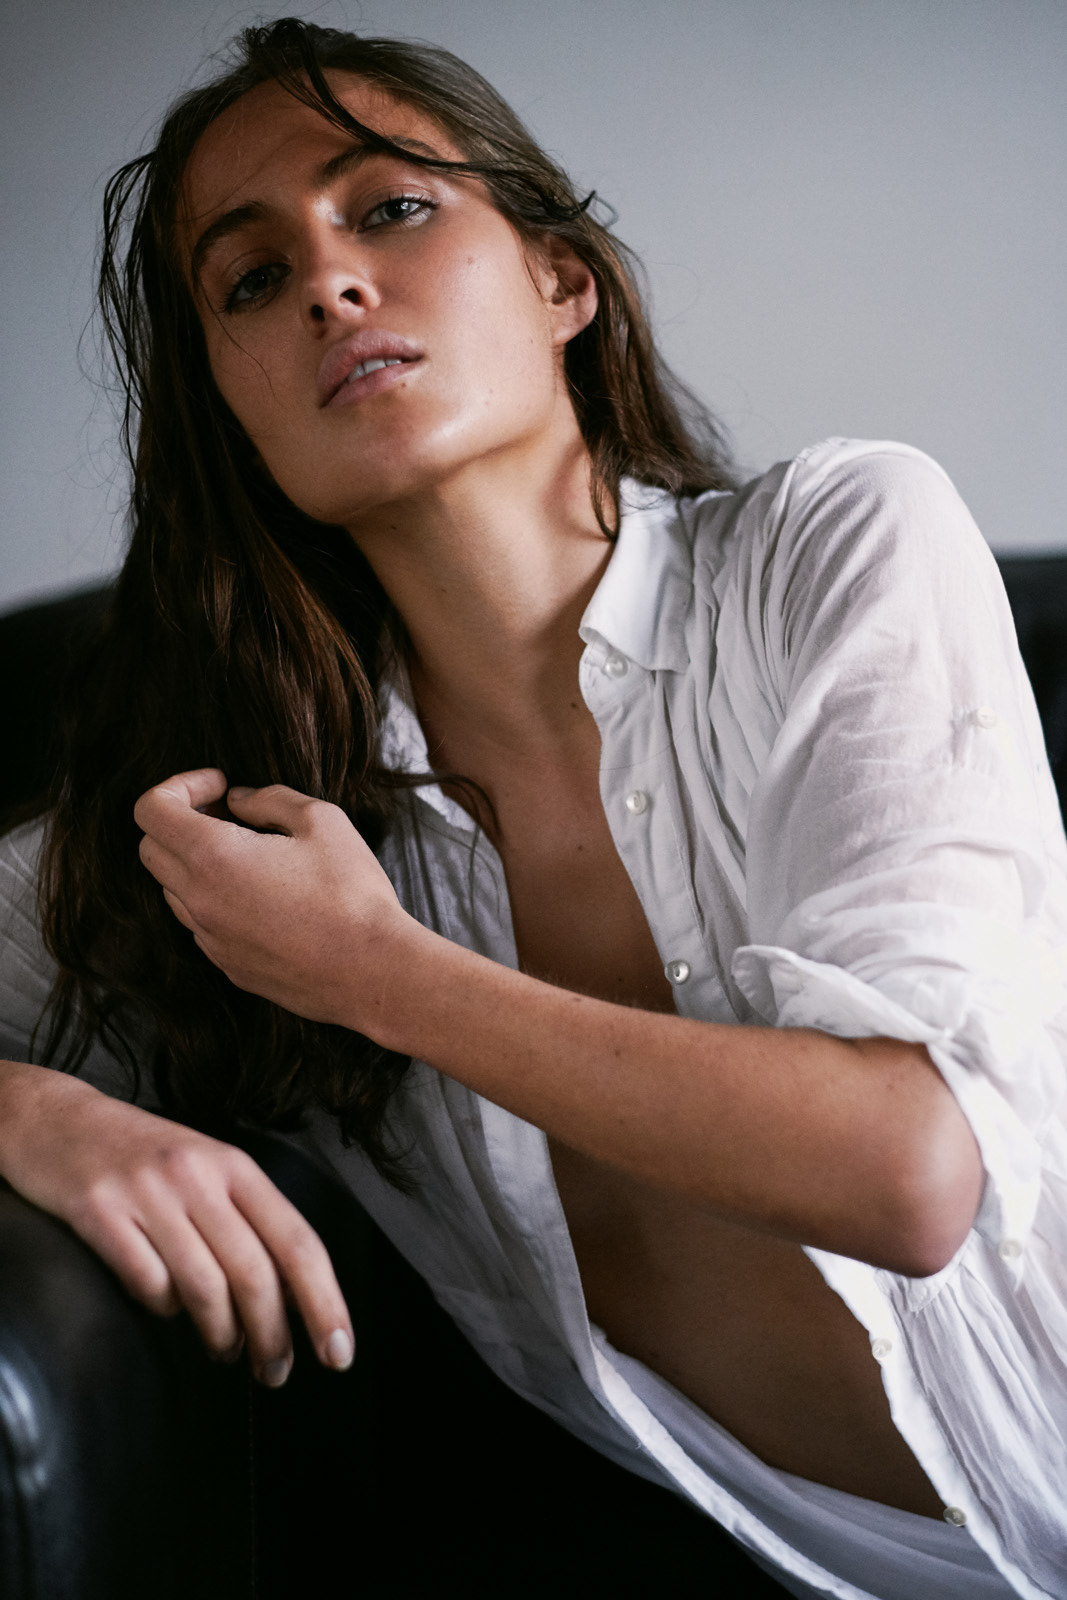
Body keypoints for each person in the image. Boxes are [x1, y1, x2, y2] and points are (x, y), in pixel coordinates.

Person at [0, 18, 1064, 1599]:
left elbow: (908, 1174)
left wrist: (375, 973)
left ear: (562, 279)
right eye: (253, 280)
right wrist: (36, 1116)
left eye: (391, 208)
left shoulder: (837, 547)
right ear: (232, 406)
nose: (329, 282)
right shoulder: (236, 830)